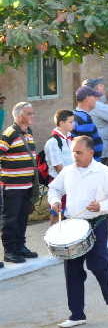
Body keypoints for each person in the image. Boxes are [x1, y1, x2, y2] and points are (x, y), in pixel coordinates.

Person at [47, 136, 108, 328]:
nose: (75, 156)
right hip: (72, 226)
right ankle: (77, 315)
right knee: (72, 272)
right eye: (73, 152)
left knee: (98, 265)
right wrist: (54, 201)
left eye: (79, 152)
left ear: (91, 152)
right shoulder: (68, 171)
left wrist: (101, 206)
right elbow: (54, 189)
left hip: (96, 224)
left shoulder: (103, 172)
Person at [0, 101, 39, 264]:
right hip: (12, 187)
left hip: (27, 185)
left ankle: (20, 247)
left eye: (32, 113)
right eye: (29, 113)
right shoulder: (9, 133)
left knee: (22, 218)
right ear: (19, 115)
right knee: (11, 219)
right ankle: (10, 251)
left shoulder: (28, 132)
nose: (32, 116)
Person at [72, 85, 105, 161]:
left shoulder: (76, 114)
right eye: (94, 97)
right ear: (87, 98)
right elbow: (85, 149)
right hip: (88, 164)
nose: (96, 99)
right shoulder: (84, 120)